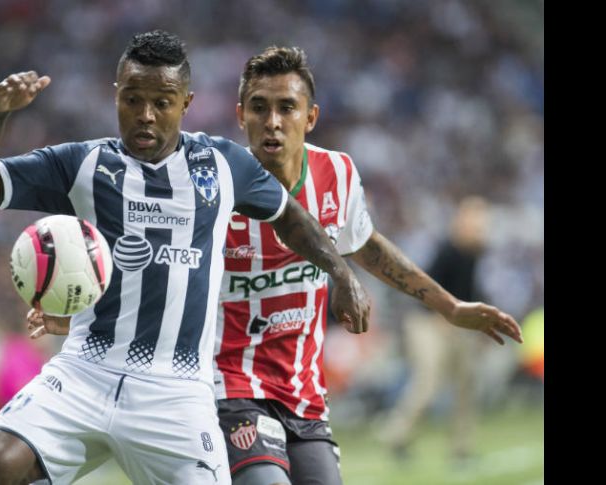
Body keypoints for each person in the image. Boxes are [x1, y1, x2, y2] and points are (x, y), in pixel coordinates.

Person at [0, 31, 371, 485]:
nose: (145, 116)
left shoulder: (223, 165)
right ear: (116, 96)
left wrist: (341, 274)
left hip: (176, 392)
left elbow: (291, 219)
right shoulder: (84, 164)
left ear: (186, 103)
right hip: (84, 373)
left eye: (162, 102)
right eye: (132, 100)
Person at [211, 47, 522, 485]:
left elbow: (367, 247)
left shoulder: (336, 173)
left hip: (303, 395)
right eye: (260, 108)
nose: (273, 121)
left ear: (311, 116)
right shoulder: (215, 187)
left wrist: (450, 307)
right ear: (241, 115)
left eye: (287, 108)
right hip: (231, 387)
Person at [378, 196, 496, 465]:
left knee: (467, 384)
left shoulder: (473, 252)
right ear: (461, 222)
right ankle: (398, 435)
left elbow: (470, 292)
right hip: (427, 322)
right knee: (428, 382)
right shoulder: (447, 249)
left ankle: (461, 448)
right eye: (475, 221)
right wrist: (441, 318)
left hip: (456, 323)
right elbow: (424, 289)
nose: (480, 227)